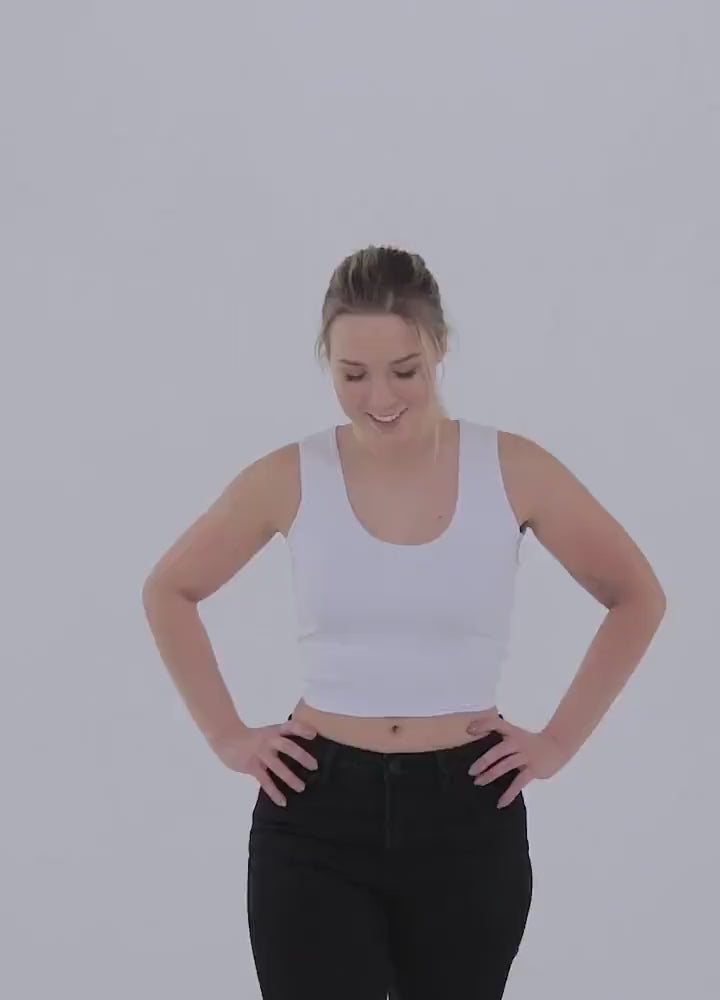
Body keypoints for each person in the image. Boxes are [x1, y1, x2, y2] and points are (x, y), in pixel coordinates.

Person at [142, 245, 666, 999]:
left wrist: (557, 742)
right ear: (327, 362)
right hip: (314, 812)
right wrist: (227, 735)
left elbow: (636, 595)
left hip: (468, 813)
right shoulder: (289, 476)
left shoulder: (512, 469)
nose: (380, 397)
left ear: (439, 348)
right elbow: (170, 589)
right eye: (352, 375)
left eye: (405, 370)